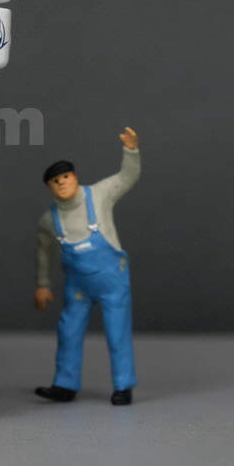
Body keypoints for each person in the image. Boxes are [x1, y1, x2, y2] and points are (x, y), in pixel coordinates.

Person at [33, 127, 141, 405]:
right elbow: (44, 253)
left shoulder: (100, 194)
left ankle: (123, 386)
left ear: (75, 176)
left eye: (65, 177)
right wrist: (43, 285)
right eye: (55, 181)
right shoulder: (49, 220)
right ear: (49, 187)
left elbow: (127, 177)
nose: (62, 183)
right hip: (78, 286)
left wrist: (131, 150)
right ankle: (65, 384)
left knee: (117, 332)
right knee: (68, 331)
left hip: (112, 281)